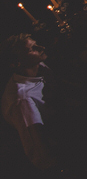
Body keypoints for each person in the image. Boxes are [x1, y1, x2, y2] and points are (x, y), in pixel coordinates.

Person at [2, 34, 57, 173]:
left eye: (36, 44)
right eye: (32, 48)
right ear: (18, 62)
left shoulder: (39, 66)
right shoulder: (23, 100)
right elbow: (39, 150)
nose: (41, 48)